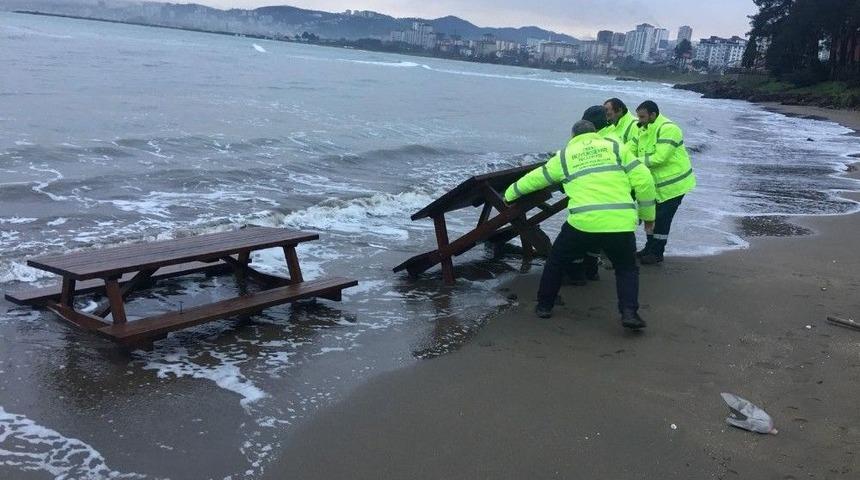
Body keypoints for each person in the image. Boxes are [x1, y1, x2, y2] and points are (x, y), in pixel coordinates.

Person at [504, 120, 657, 330]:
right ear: (595, 133)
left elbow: (537, 179)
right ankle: (629, 313)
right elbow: (645, 180)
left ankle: (544, 306)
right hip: (620, 222)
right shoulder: (615, 147)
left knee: (556, 261)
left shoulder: (566, 155)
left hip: (583, 222)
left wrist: (509, 194)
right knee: (626, 268)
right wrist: (648, 216)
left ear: (573, 135)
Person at [633, 100, 696, 265]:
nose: (639, 120)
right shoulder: (646, 129)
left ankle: (657, 252)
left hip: (674, 185)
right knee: (652, 216)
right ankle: (649, 248)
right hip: (658, 185)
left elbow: (660, 158)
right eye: (638, 116)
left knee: (662, 219)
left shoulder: (669, 129)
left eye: (642, 116)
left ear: (653, 114)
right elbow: (635, 149)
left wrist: (632, 162)